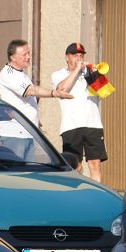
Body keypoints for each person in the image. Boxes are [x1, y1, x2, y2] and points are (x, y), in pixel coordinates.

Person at [0, 39, 72, 160]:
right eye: (24, 54)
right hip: (14, 135)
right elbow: (31, 91)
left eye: (29, 53)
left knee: (27, 175)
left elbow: (23, 102)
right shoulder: (8, 74)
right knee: (16, 175)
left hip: (27, 133)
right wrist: (54, 93)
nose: (28, 57)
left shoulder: (21, 74)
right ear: (13, 57)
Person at [51, 42, 107, 182]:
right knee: (74, 166)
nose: (79, 58)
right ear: (67, 57)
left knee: (94, 164)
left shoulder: (89, 73)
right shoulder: (58, 74)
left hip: (92, 124)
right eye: (75, 55)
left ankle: (96, 196)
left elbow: (104, 92)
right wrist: (76, 70)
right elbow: (61, 89)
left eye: (81, 55)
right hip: (71, 125)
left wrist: (94, 74)